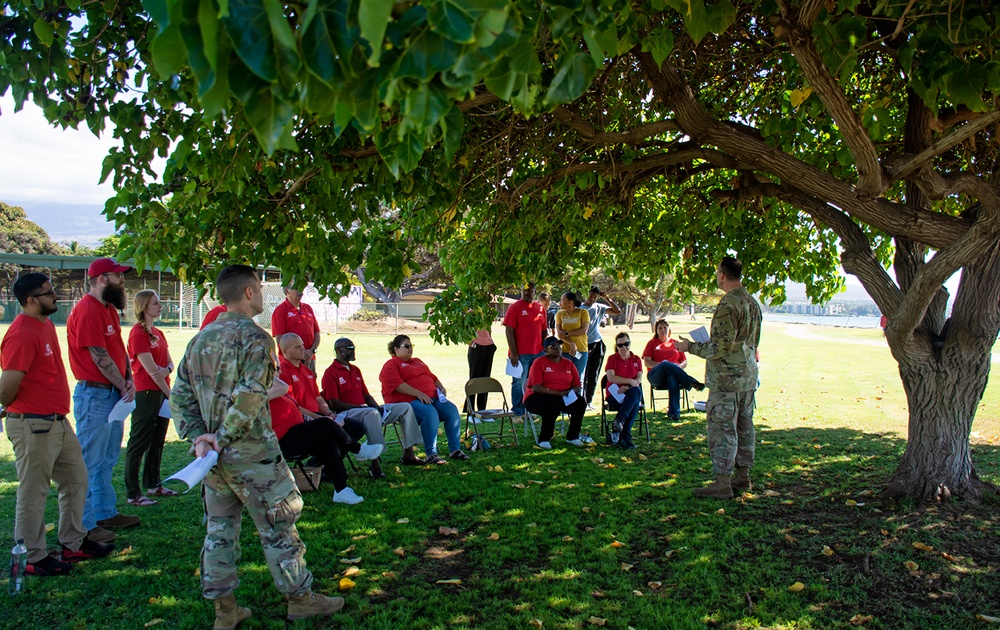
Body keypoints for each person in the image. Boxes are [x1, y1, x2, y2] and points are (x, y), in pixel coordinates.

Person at [171, 265, 343, 626]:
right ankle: (300, 599)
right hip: (253, 456)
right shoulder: (257, 338)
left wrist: (200, 437)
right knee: (279, 525)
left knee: (219, 532)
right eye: (261, 289)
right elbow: (252, 395)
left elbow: (180, 396)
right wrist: (221, 436)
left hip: (214, 460)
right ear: (248, 292)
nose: (264, 296)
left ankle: (226, 613)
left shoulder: (200, 339)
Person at [1, 273, 114, 576]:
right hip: (33, 425)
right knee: (33, 492)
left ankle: (73, 542)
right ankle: (33, 557)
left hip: (57, 422)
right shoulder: (21, 333)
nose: (55, 296)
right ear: (31, 300)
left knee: (77, 480)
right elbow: (7, 386)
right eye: (48, 293)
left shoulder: (45, 324)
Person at [676, 256, 762, 499]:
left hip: (726, 379)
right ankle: (743, 477)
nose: (716, 276)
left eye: (717, 272)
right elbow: (753, 343)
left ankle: (723, 482)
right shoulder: (752, 303)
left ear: (723, 274)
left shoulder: (728, 304)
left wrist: (689, 347)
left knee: (723, 428)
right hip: (747, 376)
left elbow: (720, 348)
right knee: (745, 426)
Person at [66, 257, 139, 542]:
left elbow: (116, 349)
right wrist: (123, 383)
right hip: (96, 394)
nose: (122, 280)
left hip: (112, 394)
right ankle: (85, 525)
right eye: (117, 276)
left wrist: (128, 379)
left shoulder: (107, 308)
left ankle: (105, 511)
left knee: (107, 458)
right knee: (90, 461)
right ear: (101, 278)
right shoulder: (87, 309)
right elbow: (98, 354)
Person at [277, 333, 385, 478]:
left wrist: (329, 414)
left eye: (303, 344)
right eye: (297, 347)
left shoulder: (306, 370)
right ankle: (352, 453)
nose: (303, 348)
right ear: (285, 351)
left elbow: (318, 398)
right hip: (301, 420)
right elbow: (293, 405)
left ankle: (318, 464)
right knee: (329, 428)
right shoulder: (282, 372)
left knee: (356, 427)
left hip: (318, 416)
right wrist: (320, 419)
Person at [268, 377, 378, 505]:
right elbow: (283, 386)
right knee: (325, 423)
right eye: (274, 369)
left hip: (298, 432)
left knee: (328, 442)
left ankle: (341, 490)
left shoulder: (279, 393)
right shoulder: (258, 393)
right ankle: (358, 449)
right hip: (284, 439)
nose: (278, 372)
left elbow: (297, 411)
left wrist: (312, 419)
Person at [322, 337, 425, 467]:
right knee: (371, 414)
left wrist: (378, 407)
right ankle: (375, 463)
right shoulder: (330, 372)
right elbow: (333, 403)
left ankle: (409, 454)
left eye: (354, 348)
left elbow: (366, 395)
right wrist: (359, 407)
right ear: (338, 350)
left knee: (405, 407)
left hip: (366, 409)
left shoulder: (355, 370)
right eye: (349, 348)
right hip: (347, 413)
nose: (353, 351)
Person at [379, 334, 469, 465]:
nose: (410, 349)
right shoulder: (391, 365)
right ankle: (431, 453)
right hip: (407, 403)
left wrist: (441, 387)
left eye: (411, 346)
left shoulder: (417, 361)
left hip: (431, 398)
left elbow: (432, 377)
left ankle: (455, 450)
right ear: (396, 349)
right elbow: (397, 385)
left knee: (451, 410)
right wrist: (418, 393)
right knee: (429, 413)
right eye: (406, 346)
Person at [123, 290, 177, 507]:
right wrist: (168, 391)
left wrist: (166, 371)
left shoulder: (159, 333)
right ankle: (133, 493)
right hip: (147, 393)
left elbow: (170, 365)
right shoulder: (138, 334)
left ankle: (153, 483)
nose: (160, 306)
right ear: (144, 307)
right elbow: (152, 371)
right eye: (156, 303)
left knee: (157, 441)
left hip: (161, 392)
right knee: (139, 442)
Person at [523, 336, 589, 449]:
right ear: (545, 350)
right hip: (538, 396)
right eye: (553, 347)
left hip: (563, 396)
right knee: (552, 405)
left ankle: (573, 436)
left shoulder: (569, 364)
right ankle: (544, 438)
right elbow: (536, 387)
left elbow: (577, 385)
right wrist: (557, 393)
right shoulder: (539, 363)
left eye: (559, 346)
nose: (557, 348)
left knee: (580, 402)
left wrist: (570, 392)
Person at [642, 319, 705, 421]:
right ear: (656, 330)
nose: (663, 330)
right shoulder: (652, 343)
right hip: (656, 375)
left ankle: (674, 413)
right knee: (665, 364)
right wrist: (661, 365)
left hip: (674, 374)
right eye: (660, 328)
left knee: (672, 378)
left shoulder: (675, 343)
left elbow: (684, 362)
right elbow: (647, 362)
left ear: (669, 329)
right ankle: (691, 382)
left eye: (665, 328)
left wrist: (677, 368)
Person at [503, 282, 547, 417]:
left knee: (534, 382)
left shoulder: (540, 309)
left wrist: (544, 349)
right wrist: (514, 353)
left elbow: (544, 330)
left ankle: (530, 409)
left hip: (538, 353)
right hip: (520, 354)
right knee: (518, 382)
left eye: (531, 291)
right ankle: (517, 411)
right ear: (521, 291)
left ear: (535, 292)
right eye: (525, 291)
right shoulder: (514, 308)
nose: (528, 293)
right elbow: (509, 331)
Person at [582, 286, 621, 407]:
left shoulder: (599, 307)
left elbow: (617, 311)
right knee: (583, 374)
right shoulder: (579, 308)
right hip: (583, 344)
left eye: (595, 297)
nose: (592, 299)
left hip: (597, 343)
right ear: (586, 294)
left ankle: (589, 400)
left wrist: (607, 299)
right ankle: (581, 400)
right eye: (591, 296)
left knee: (594, 373)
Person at [604, 332, 643, 450]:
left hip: (630, 392)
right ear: (616, 346)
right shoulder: (612, 359)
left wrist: (628, 386)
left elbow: (639, 379)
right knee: (634, 402)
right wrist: (630, 381)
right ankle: (625, 437)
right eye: (620, 345)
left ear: (630, 344)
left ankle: (620, 422)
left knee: (635, 393)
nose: (623, 348)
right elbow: (611, 377)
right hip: (615, 394)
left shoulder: (636, 359)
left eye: (626, 344)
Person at [271, 285, 320, 369]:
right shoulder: (280, 310)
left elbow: (316, 333)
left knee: (310, 381)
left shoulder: (307, 308)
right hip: (291, 362)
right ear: (287, 290)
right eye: (296, 287)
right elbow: (280, 339)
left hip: (309, 358)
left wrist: (312, 351)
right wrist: (299, 354)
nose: (300, 290)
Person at [555, 291, 590, 378]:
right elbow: (560, 334)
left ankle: (577, 392)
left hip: (581, 350)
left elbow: (583, 330)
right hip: (566, 350)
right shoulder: (559, 314)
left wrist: (566, 333)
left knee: (578, 378)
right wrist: (572, 343)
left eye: (562, 300)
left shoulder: (583, 312)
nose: (560, 302)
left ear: (570, 302)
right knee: (566, 377)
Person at [465, 328, 496, 413]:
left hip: (489, 347)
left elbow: (489, 329)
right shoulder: (469, 314)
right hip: (476, 347)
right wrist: (473, 345)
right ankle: (470, 410)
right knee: (474, 379)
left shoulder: (487, 314)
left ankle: (482, 410)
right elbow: (462, 331)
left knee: (485, 380)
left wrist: (490, 341)